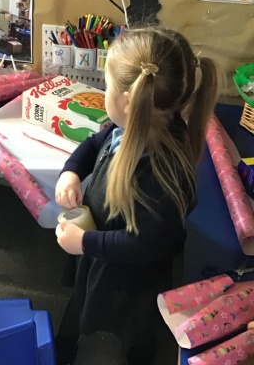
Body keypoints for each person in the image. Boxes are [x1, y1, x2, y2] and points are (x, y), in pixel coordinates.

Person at [54, 27, 219, 364]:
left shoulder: (163, 171)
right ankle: (85, 342)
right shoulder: (126, 127)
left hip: (129, 275)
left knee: (121, 324)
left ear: (128, 101)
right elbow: (94, 144)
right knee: (87, 304)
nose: (104, 93)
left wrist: (85, 243)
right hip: (102, 254)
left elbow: (145, 244)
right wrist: (71, 172)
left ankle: (133, 350)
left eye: (107, 86)